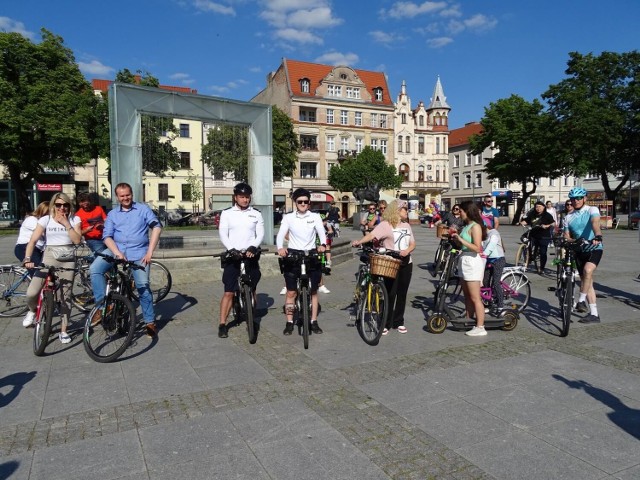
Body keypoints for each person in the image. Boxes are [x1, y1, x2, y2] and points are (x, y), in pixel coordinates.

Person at [90, 183, 162, 337]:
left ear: (131, 194)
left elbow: (156, 226)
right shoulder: (113, 214)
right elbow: (107, 236)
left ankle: (149, 321)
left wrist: (150, 251)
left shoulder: (143, 209)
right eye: (122, 196)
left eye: (127, 195)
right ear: (117, 197)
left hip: (139, 252)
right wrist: (117, 252)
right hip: (117, 250)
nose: (125, 198)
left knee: (143, 286)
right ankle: (103, 306)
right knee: (95, 269)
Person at [22, 193, 83, 343]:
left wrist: (66, 223)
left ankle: (63, 330)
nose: (62, 208)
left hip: (68, 258)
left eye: (65, 205)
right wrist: (27, 258)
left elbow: (77, 240)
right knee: (32, 292)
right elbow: (33, 240)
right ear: (53, 206)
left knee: (65, 297)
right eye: (58, 205)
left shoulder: (75, 219)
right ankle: (32, 310)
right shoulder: (46, 219)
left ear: (69, 206)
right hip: (49, 256)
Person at [352, 200, 416, 334]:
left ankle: (399, 321)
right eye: (404, 209)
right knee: (390, 293)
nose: (407, 211)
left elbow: (412, 243)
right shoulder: (385, 225)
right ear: (397, 211)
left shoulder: (407, 225)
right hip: (391, 263)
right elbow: (371, 235)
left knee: (402, 294)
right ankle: (385, 322)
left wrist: (407, 251)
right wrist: (359, 241)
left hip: (406, 263)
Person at [217, 182, 264, 338]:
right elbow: (223, 233)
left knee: (252, 288)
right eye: (242, 197)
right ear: (235, 197)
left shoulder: (256, 213)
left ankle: (252, 316)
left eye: (247, 197)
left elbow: (260, 234)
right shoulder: (227, 213)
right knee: (229, 292)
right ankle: (222, 324)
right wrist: (231, 249)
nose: (245, 200)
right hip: (233, 255)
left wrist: (253, 247)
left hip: (250, 255)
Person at [277, 188, 327, 335]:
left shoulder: (315, 216)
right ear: (295, 202)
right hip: (293, 254)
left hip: (311, 253)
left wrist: (323, 245)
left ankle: (313, 321)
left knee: (313, 291)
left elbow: (321, 233)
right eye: (300, 202)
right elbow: (281, 234)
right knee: (291, 292)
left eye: (306, 201)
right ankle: (290, 321)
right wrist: (280, 248)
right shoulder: (288, 217)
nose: (303, 204)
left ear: (309, 202)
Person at [563, 187, 603, 324]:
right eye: (573, 199)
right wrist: (573, 241)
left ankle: (580, 301)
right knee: (588, 281)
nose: (576, 201)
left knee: (588, 271)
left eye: (579, 198)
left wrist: (598, 235)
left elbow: (595, 223)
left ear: (585, 198)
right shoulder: (568, 217)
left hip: (594, 247)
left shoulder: (592, 210)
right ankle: (594, 314)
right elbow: (566, 236)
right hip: (579, 250)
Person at [450, 201, 488, 337]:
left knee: (475, 297)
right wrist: (454, 238)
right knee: (466, 295)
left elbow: (477, 248)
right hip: (464, 259)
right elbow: (463, 245)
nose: (459, 213)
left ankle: (480, 326)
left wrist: (460, 239)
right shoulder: (466, 226)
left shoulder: (475, 226)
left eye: (461, 211)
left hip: (472, 261)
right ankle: (469, 319)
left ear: (468, 211)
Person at [519, 201, 556, 274]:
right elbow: (527, 221)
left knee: (543, 252)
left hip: (544, 235)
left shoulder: (547, 215)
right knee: (525, 239)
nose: (538, 208)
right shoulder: (532, 214)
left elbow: (553, 223)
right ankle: (529, 256)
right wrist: (521, 223)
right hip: (533, 233)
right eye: (536, 207)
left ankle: (542, 268)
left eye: (540, 207)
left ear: (543, 207)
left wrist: (547, 226)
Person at [15, 201, 49, 270]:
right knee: (39, 272)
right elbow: (43, 232)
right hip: (24, 247)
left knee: (48, 268)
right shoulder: (32, 219)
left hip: (38, 249)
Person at [482, 221, 506, 313]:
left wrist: (484, 253)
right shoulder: (483, 235)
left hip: (498, 259)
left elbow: (492, 244)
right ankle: (489, 303)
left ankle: (500, 305)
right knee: (485, 282)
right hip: (488, 260)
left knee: (496, 282)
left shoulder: (494, 233)